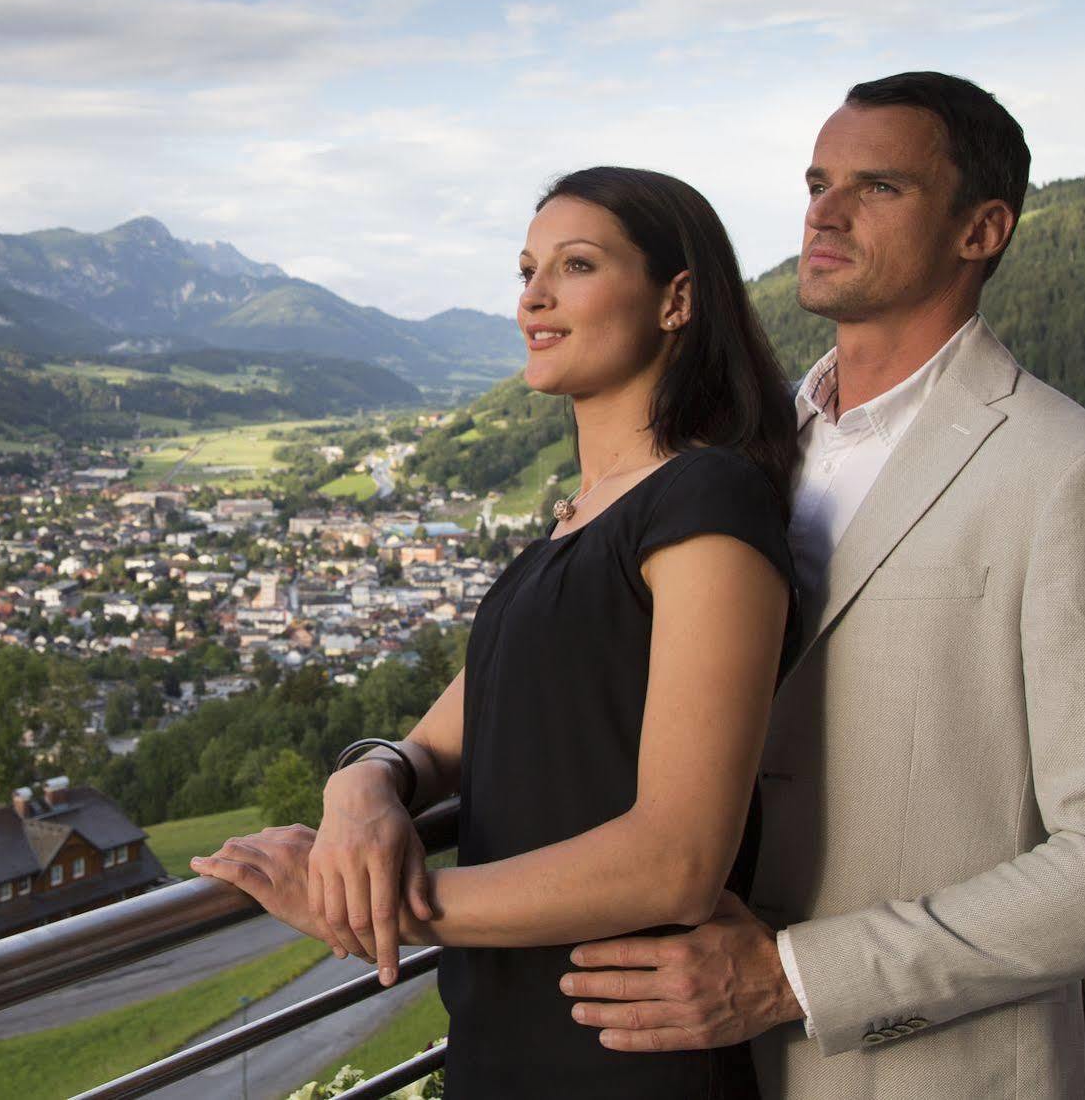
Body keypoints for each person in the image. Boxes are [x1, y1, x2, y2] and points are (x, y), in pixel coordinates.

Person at [556, 73, 1085, 1098]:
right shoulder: (733, 454)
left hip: (931, 1072)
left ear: (980, 230)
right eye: (818, 180)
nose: (825, 209)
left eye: (879, 187)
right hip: (697, 1067)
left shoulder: (1074, 474)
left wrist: (790, 979)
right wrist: (384, 772)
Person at [191, 166, 801, 1097]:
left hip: (624, 1057)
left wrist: (366, 907)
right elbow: (434, 745)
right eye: (526, 271)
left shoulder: (707, 500)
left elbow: (675, 862)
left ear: (677, 299)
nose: (533, 298)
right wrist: (361, 782)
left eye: (577, 265)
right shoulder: (574, 526)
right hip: (504, 1038)